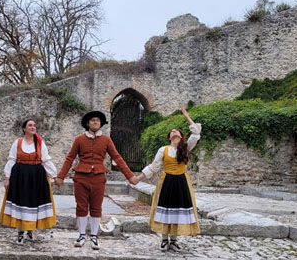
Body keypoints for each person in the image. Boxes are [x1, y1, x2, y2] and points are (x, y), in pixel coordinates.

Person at [55, 111, 139, 250]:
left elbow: (116, 158)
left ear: (100, 124)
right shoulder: (79, 139)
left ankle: (94, 236)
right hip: (81, 177)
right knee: (81, 206)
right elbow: (70, 158)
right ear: (87, 123)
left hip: (99, 177)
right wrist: (61, 176)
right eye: (93, 120)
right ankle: (81, 235)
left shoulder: (106, 140)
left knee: (96, 207)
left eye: (98, 121)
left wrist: (130, 176)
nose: (95, 122)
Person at [131, 107, 202, 252]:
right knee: (165, 209)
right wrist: (138, 178)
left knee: (178, 209)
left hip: (182, 182)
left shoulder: (186, 148)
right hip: (167, 181)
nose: (174, 131)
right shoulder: (163, 150)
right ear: (169, 137)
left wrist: (187, 117)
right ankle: (164, 240)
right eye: (172, 131)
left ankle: (174, 241)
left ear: (181, 136)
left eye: (177, 131)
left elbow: (196, 133)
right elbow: (154, 166)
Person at [0, 119, 57, 244]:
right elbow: (11, 160)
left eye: (34, 125)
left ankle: (30, 229)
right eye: (30, 125)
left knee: (34, 203)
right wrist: (7, 178)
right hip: (19, 177)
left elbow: (46, 160)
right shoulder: (18, 142)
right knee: (21, 202)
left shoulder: (40, 143)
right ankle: (20, 232)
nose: (33, 127)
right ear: (24, 129)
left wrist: (54, 175)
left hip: (37, 177)